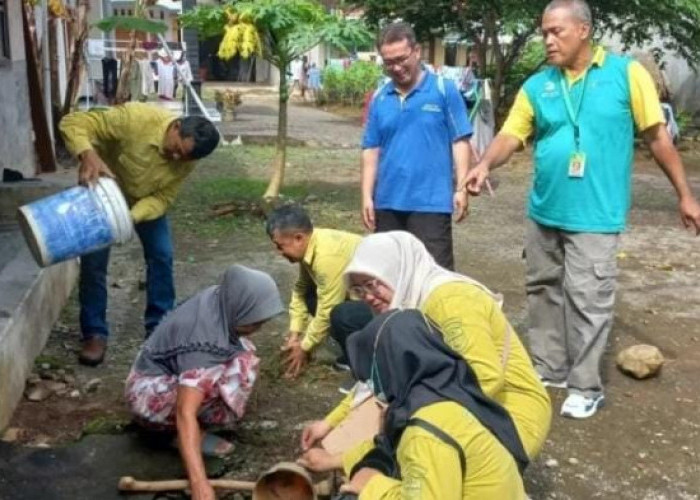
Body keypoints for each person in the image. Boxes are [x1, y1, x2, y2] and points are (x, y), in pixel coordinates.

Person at [463, 0, 700, 419]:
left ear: (584, 30)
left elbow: (657, 137)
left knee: (588, 299)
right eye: (544, 33)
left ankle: (586, 386)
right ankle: (549, 367)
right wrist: (483, 164)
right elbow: (511, 135)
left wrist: (685, 194)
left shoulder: (626, 75)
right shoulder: (538, 85)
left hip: (596, 214)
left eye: (557, 31)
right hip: (544, 212)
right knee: (543, 291)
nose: (548, 40)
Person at [315, 231, 551, 460]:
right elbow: (377, 380)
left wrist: (409, 414)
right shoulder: (403, 306)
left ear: (396, 270)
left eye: (372, 284)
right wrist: (328, 423)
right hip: (458, 401)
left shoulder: (451, 300)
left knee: (411, 453)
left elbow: (485, 377)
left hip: (510, 411)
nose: (367, 296)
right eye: (358, 289)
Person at [298, 310, 527, 499]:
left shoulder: (423, 430)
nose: (371, 382)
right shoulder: (446, 393)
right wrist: (333, 460)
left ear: (391, 365)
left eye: (373, 371)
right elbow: (392, 445)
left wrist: (373, 487)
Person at [59, 103, 219, 366]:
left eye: (185, 158)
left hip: (144, 202)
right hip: (104, 194)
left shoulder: (188, 159)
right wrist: (87, 154)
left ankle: (159, 330)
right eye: (177, 150)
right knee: (94, 263)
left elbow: (163, 197)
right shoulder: (136, 119)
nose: (177, 159)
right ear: (175, 126)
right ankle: (94, 333)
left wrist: (129, 219)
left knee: (162, 256)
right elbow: (72, 122)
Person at [126, 265, 284, 500]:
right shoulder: (203, 342)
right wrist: (199, 483)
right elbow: (184, 411)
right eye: (253, 322)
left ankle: (191, 430)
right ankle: (179, 436)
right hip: (147, 393)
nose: (257, 328)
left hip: (164, 374)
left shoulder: (222, 300)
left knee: (243, 357)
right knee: (223, 375)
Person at [361, 22, 472, 270]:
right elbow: (371, 149)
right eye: (389, 62)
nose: (397, 68)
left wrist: (462, 188)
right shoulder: (380, 98)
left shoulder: (444, 90)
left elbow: (460, 140)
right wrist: (367, 196)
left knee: (435, 277)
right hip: (387, 203)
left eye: (401, 59)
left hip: (430, 204)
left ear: (417, 51)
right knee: (389, 278)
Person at [266, 205, 362, 379]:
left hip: (393, 305)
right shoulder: (311, 244)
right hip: (360, 295)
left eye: (281, 246)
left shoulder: (327, 257)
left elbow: (329, 307)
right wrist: (295, 333)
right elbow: (301, 289)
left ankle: (360, 358)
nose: (279, 253)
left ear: (298, 238)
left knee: (341, 314)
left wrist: (304, 347)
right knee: (310, 295)